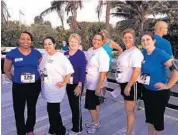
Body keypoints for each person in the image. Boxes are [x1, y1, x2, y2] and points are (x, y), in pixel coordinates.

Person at [4, 31, 41, 135]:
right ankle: (20, 132)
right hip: (19, 87)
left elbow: (43, 68)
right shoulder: (12, 53)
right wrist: (15, 80)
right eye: (23, 38)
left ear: (31, 41)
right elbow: (6, 70)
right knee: (19, 110)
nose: (25, 41)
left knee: (31, 108)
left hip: (34, 86)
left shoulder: (36, 53)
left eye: (28, 39)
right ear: (19, 40)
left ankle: (29, 130)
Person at [140, 32, 178, 135]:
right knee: (149, 119)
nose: (145, 42)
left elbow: (176, 71)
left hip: (159, 93)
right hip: (147, 91)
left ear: (153, 41)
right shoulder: (142, 53)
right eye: (143, 40)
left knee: (158, 121)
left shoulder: (160, 53)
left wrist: (168, 85)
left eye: (148, 39)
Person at [39, 37, 74, 135]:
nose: (47, 46)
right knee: (51, 110)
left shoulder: (60, 57)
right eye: (45, 44)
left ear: (54, 44)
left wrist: (64, 82)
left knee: (54, 111)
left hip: (56, 88)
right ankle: (53, 129)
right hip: (47, 87)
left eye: (49, 44)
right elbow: (41, 69)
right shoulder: (45, 56)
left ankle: (60, 131)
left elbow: (69, 71)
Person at [115, 28, 144, 135]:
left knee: (130, 111)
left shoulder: (135, 52)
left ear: (134, 39)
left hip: (131, 84)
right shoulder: (126, 51)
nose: (127, 39)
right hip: (124, 84)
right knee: (128, 110)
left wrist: (128, 86)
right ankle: (130, 131)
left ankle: (129, 133)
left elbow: (137, 70)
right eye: (125, 37)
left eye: (130, 37)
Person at [85, 33, 110, 134]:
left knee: (91, 105)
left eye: (99, 40)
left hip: (96, 83)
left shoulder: (102, 53)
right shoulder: (90, 50)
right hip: (89, 82)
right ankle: (95, 121)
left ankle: (95, 123)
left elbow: (103, 71)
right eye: (95, 39)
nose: (96, 41)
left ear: (102, 41)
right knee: (95, 104)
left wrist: (99, 87)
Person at [64, 33, 86, 135]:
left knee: (76, 106)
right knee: (72, 105)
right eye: (71, 41)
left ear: (79, 43)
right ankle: (75, 126)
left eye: (75, 42)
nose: (73, 43)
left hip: (77, 83)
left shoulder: (80, 54)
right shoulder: (65, 54)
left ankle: (78, 129)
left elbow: (82, 71)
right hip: (68, 83)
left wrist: (80, 85)